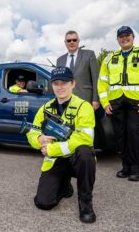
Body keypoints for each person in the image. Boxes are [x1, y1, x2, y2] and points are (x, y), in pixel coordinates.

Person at [27, 66, 96, 223]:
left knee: (85, 153)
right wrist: (38, 140)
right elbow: (32, 132)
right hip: (56, 161)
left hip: (75, 158)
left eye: (64, 82)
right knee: (43, 203)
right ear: (51, 85)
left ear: (72, 84)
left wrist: (53, 148)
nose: (60, 87)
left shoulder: (83, 107)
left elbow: (85, 138)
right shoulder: (44, 109)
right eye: (56, 83)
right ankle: (65, 186)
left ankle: (86, 203)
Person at [98, 26, 139, 181]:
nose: (124, 38)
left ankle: (136, 168)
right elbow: (102, 82)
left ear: (133, 37)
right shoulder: (109, 57)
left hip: (137, 102)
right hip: (116, 102)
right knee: (120, 136)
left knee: (134, 135)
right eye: (121, 36)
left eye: (127, 35)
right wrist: (105, 102)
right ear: (117, 39)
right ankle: (125, 167)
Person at [56, 30, 100, 110]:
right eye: (69, 40)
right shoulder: (60, 60)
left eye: (74, 40)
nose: (72, 42)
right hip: (66, 100)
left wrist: (96, 99)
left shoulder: (89, 54)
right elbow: (57, 81)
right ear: (65, 42)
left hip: (85, 99)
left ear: (78, 41)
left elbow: (95, 78)